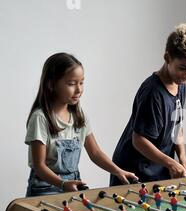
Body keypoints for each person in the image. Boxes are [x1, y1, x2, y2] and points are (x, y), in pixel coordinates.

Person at [110, 23, 186, 185]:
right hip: (133, 171)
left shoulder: (180, 85)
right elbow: (139, 140)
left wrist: (182, 157)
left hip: (157, 168)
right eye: (183, 68)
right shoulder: (153, 93)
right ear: (167, 58)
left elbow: (177, 127)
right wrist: (171, 163)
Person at [25, 53, 138, 197]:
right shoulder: (40, 118)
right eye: (71, 83)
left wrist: (117, 171)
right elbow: (39, 166)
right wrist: (62, 184)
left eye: (81, 82)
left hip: (72, 185)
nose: (79, 89)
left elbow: (95, 153)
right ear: (51, 84)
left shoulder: (79, 116)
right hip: (44, 189)